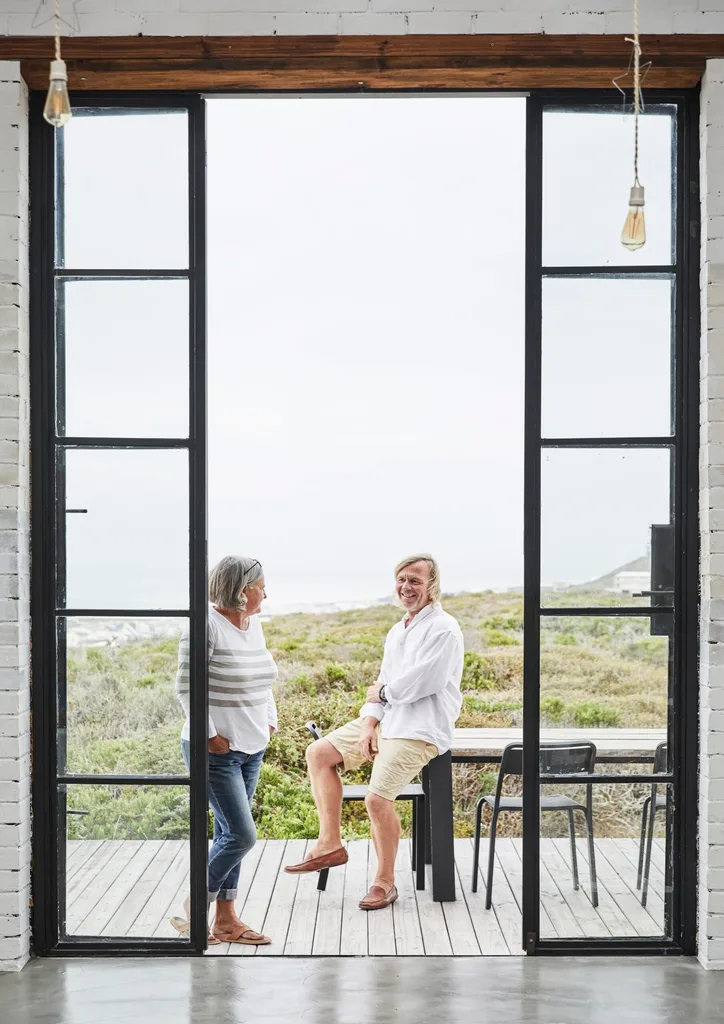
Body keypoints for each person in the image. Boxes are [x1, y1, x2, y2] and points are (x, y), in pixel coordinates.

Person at [286, 554, 464, 911]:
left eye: (415, 580)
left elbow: (423, 683)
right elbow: (382, 686)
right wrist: (369, 722)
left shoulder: (444, 628)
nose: (406, 586)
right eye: (401, 579)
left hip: (421, 728)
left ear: (432, 586)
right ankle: (330, 844)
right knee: (319, 753)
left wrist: (383, 693)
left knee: (376, 800)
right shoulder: (398, 630)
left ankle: (385, 883)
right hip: (388, 720)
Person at [171, 555, 278, 945]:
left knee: (226, 834)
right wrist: (209, 736)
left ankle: (226, 921)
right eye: (261, 587)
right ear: (242, 590)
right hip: (215, 751)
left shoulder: (253, 624)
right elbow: (186, 687)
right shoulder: (205, 626)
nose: (266, 593)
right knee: (241, 836)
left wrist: (270, 720)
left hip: (252, 746)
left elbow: (263, 681)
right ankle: (195, 904)